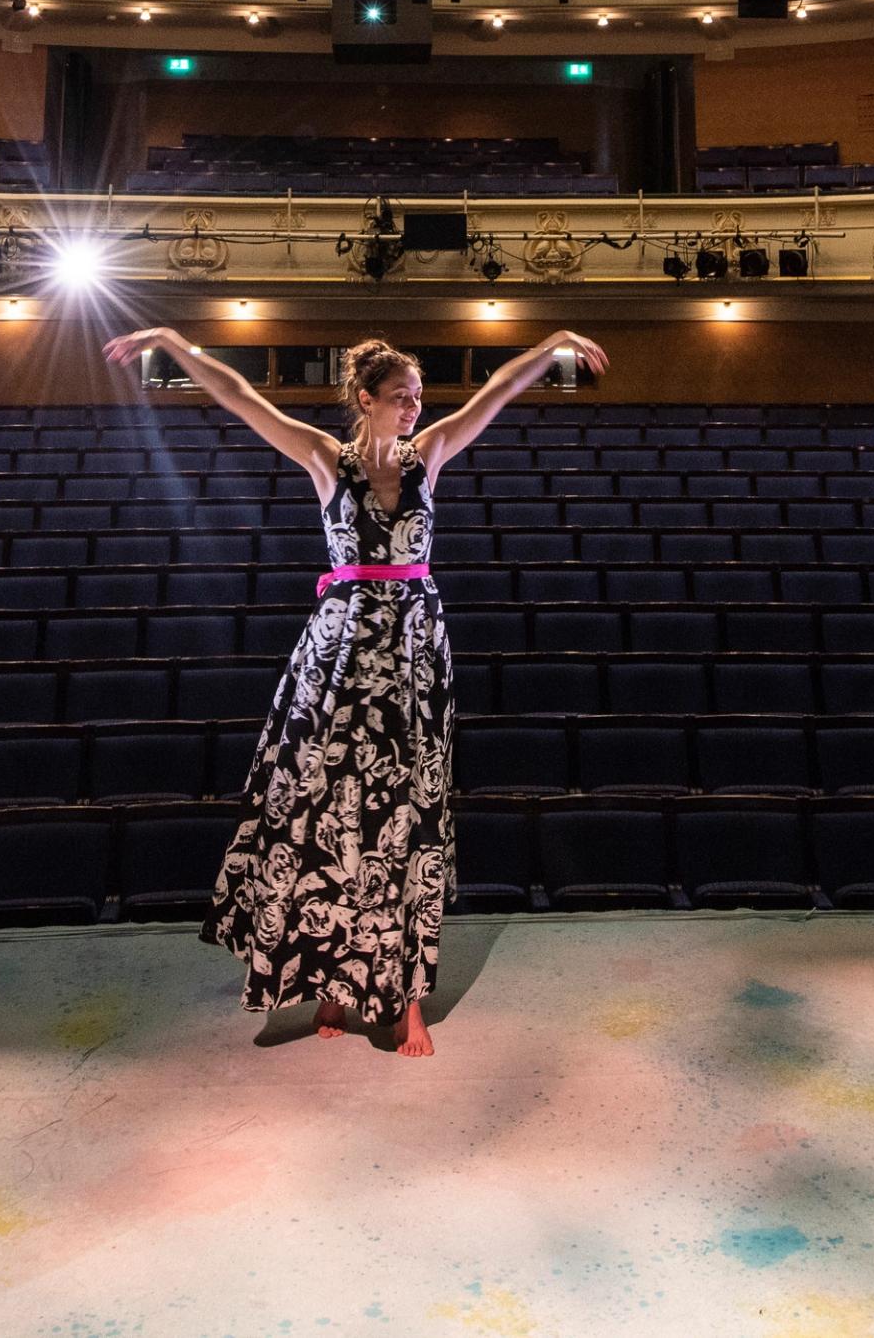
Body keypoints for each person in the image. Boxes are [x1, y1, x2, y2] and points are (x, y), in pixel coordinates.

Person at [102, 321, 610, 1055]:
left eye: (417, 398)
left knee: (407, 818)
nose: (413, 408)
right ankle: (333, 983)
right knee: (326, 809)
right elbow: (240, 395)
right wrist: (173, 344)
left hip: (410, 651)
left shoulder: (428, 454)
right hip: (339, 650)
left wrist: (554, 342)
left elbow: (496, 392)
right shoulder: (323, 457)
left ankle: (404, 1001)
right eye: (401, 397)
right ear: (365, 398)